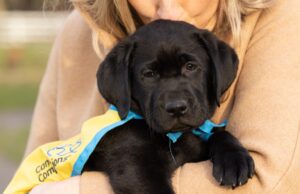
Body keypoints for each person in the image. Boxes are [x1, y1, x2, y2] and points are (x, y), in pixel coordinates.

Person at [26, 0, 300, 193]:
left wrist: (80, 191)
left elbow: (270, 183)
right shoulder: (77, 36)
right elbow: (33, 175)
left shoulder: (282, 15)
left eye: (190, 67)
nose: (167, 8)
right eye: (149, 75)